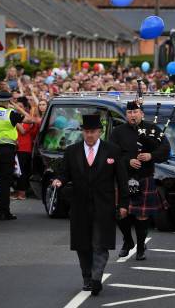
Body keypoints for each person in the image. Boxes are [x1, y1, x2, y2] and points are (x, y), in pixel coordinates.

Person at [52, 114, 129, 296]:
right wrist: (59, 181)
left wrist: (124, 204)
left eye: (93, 132)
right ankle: (86, 278)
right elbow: (65, 173)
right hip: (79, 206)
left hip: (104, 206)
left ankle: (96, 279)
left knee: (99, 244)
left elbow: (122, 180)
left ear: (100, 132)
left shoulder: (112, 151)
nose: (90, 135)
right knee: (82, 245)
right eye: (86, 132)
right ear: (82, 132)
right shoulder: (72, 151)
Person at [110, 101, 170, 261]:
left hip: (144, 177)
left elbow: (165, 149)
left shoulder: (152, 129)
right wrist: (127, 160)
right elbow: (111, 154)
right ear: (126, 115)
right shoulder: (117, 132)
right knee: (121, 214)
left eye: (135, 112)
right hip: (123, 178)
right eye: (129, 113)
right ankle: (128, 241)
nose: (132, 115)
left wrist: (152, 156)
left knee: (142, 215)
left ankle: (141, 246)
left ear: (141, 113)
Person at [0, 91, 31, 221]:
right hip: (7, 150)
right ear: (9, 101)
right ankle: (4, 212)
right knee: (5, 182)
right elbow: (30, 120)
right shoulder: (11, 114)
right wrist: (18, 107)